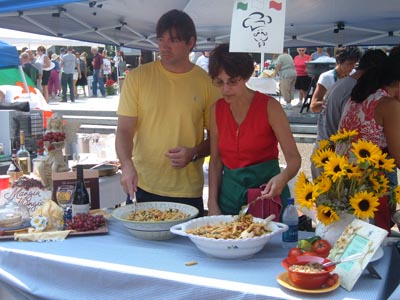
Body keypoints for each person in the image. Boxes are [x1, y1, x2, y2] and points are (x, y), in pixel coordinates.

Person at [115, 9, 220, 216]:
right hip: (144, 186)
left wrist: (194, 153)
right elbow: (124, 130)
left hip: (188, 191)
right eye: (161, 39)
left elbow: (217, 139)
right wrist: (126, 165)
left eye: (173, 40)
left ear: (190, 43)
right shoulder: (138, 78)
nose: (164, 45)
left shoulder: (207, 83)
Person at [207, 43, 301, 217]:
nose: (225, 89)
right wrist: (212, 203)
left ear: (246, 77)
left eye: (232, 81)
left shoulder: (270, 107)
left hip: (267, 197)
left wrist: (283, 177)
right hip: (229, 198)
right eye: (219, 82)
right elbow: (215, 162)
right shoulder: (216, 110)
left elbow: (294, 159)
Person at [337, 52, 400, 233]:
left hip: (342, 184)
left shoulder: (359, 96)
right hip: (367, 189)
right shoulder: (387, 104)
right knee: (370, 246)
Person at [311, 49, 387, 179]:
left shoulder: (344, 83)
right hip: (331, 155)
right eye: (349, 63)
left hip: (326, 150)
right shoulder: (355, 88)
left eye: (354, 63)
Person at [310, 47, 361, 113]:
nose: (353, 67)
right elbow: (314, 107)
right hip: (332, 119)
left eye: (355, 63)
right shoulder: (326, 77)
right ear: (339, 61)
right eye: (350, 63)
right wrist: (336, 102)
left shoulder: (353, 74)